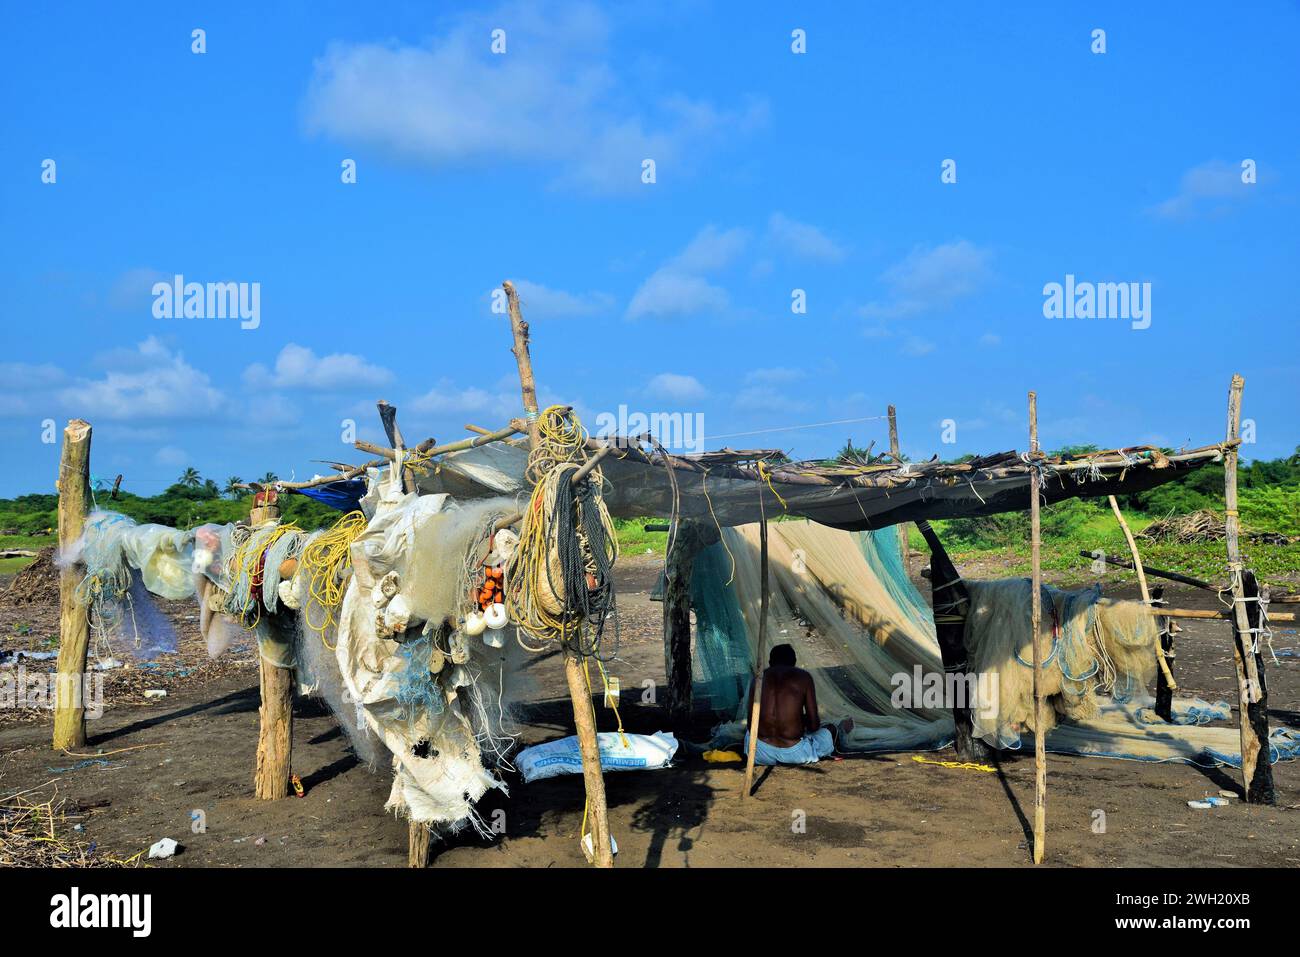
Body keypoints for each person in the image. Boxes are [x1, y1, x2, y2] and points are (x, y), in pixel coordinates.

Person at [745, 644, 853, 765]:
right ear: (794, 662)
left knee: (749, 735)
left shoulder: (758, 679)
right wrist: (799, 721)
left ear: (770, 662)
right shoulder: (803, 678)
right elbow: (814, 725)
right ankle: (840, 730)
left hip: (759, 753)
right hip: (795, 754)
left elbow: (751, 725)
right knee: (830, 729)